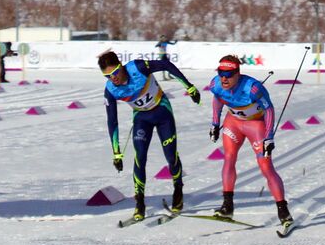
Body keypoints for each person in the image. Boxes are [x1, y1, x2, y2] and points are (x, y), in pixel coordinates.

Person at [98, 50, 201, 221]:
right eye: (107, 76)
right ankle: (139, 203)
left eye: (115, 72)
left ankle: (178, 190)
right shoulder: (110, 90)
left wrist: (189, 86)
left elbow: (166, 64)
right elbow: (112, 121)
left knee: (170, 156)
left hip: (162, 112)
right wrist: (116, 152)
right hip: (142, 118)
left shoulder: (138, 67)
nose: (113, 78)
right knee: (140, 157)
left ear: (121, 66)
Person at [208, 55, 294, 228]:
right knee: (229, 158)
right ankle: (227, 206)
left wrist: (269, 137)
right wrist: (215, 123)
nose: (224, 78)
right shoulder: (215, 84)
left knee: (266, 167)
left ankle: (283, 211)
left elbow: (269, 109)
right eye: (221, 73)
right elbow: (218, 100)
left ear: (238, 73)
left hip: (255, 125)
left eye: (229, 74)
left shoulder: (253, 88)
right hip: (233, 122)